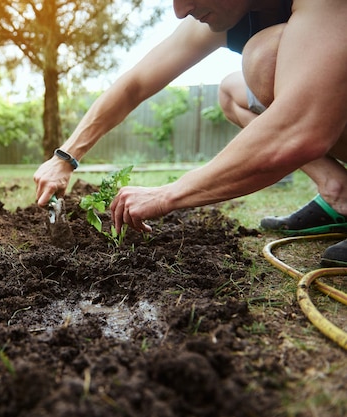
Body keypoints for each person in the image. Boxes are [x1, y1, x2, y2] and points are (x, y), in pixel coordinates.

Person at [33, 0, 347, 266]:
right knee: (231, 93)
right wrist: (66, 156)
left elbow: (299, 128)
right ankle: (337, 190)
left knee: (265, 58)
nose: (180, 11)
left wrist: (167, 193)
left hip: (308, 118)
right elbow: (136, 84)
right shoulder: (225, 12)